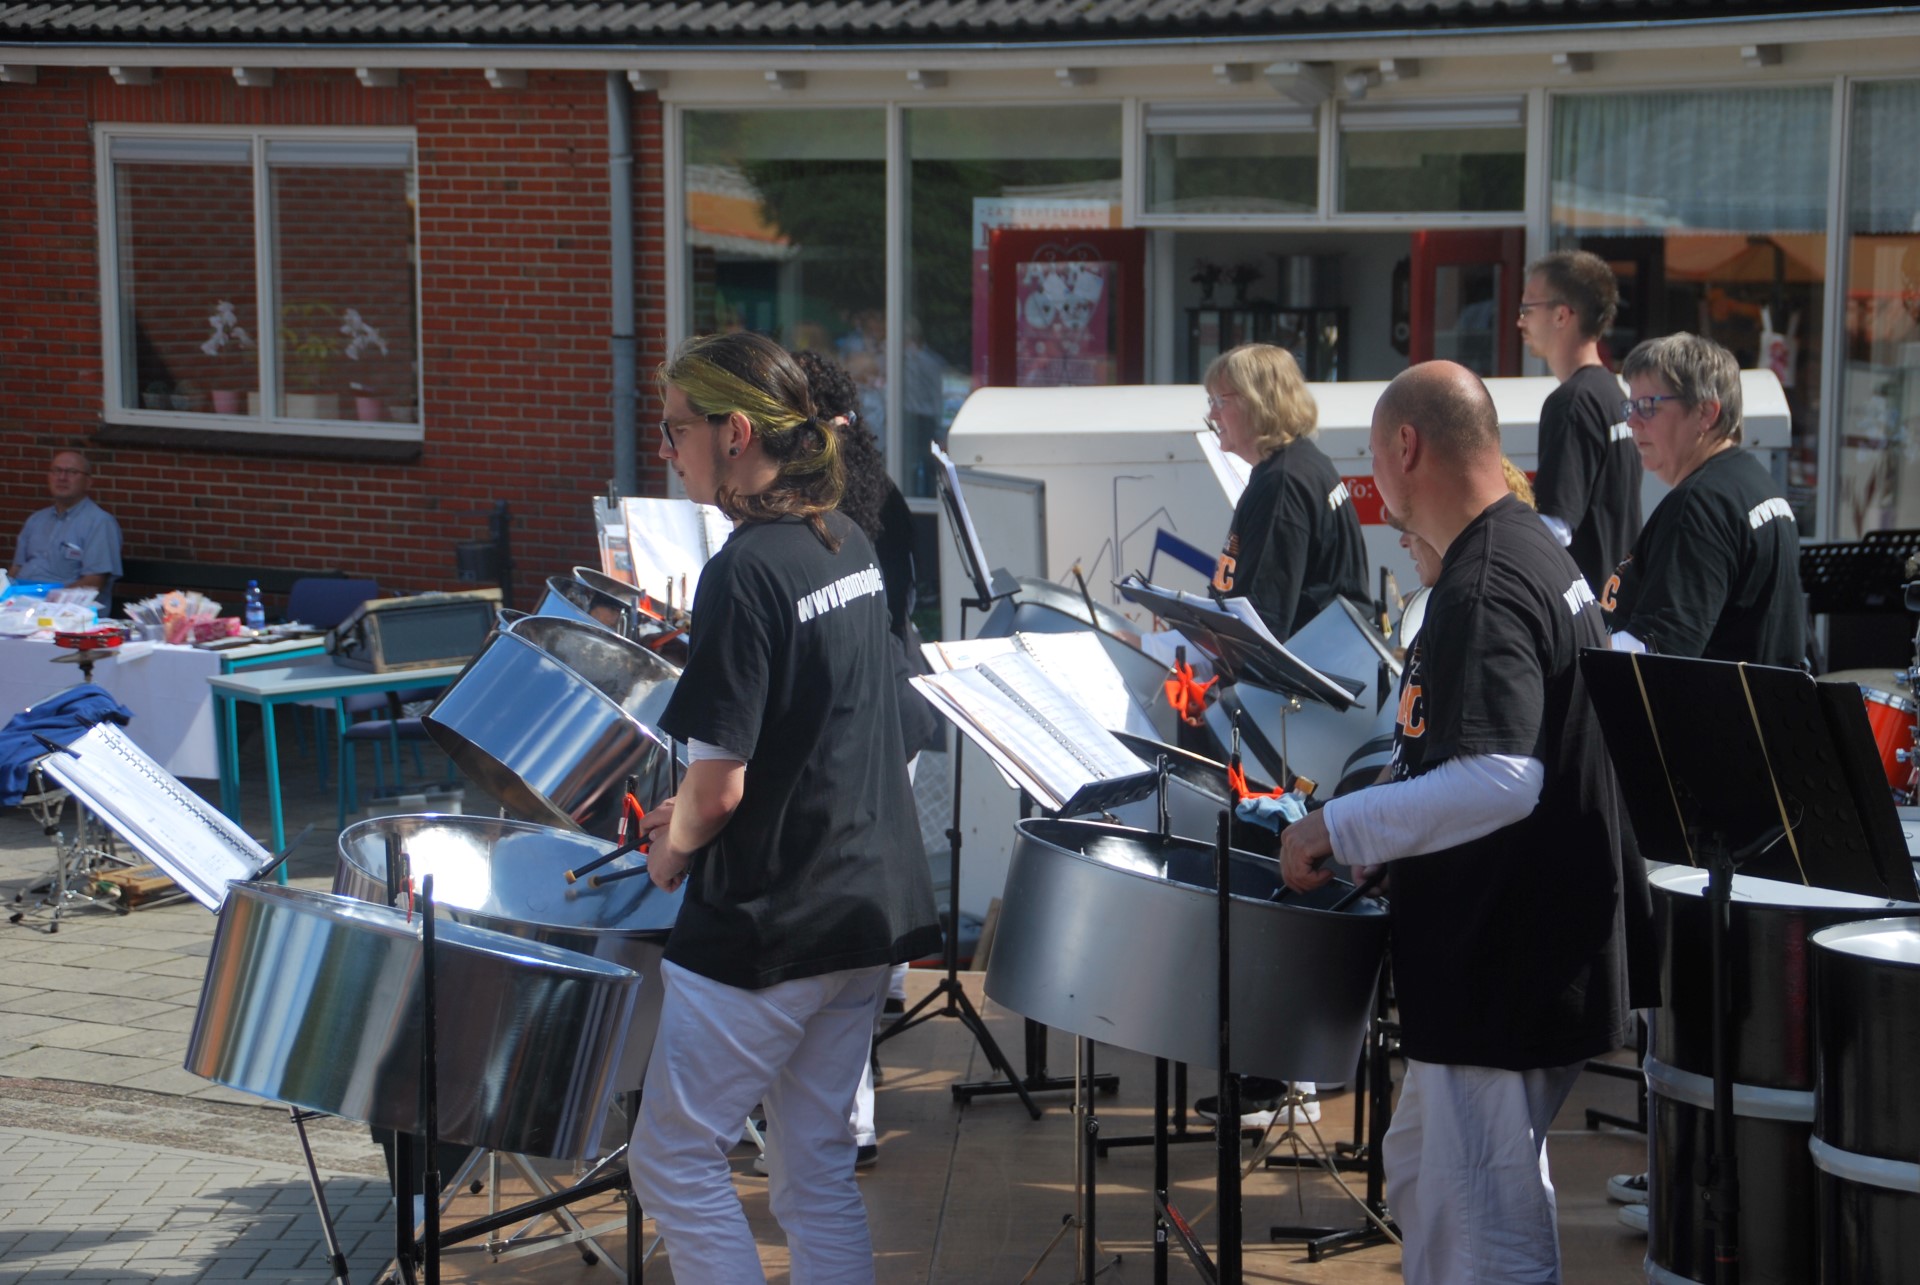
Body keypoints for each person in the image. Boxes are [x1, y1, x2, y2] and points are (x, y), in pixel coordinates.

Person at [1279, 361, 1647, 1285]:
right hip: (1517, 951)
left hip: (1505, 958)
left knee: (1484, 1235)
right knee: (1427, 1175)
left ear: (1408, 446)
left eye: (1375, 456)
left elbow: (1502, 777)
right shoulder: (1527, 549)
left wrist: (1339, 827)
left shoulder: (1485, 583)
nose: (1375, 484)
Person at [628, 332, 943, 1282]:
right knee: (814, 1170)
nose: (665, 449)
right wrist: (691, 815)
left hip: (775, 919)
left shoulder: (746, 569)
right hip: (862, 909)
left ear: (734, 433)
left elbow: (718, 788)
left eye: (675, 428)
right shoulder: (845, 539)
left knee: (673, 1158)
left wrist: (673, 847)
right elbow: (813, 738)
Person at [1598, 332, 1805, 669]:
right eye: (1630, 406)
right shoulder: (1756, 484)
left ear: (1706, 413)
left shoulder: (1699, 506)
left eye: (1647, 406)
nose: (1632, 421)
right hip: (1757, 699)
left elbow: (1656, 653)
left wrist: (1568, 647)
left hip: (1720, 703)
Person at [1205, 344, 1369, 640]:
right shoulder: (1301, 464)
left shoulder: (1282, 483)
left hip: (1309, 662)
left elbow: (1259, 623)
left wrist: (1158, 646)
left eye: (1220, 400)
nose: (1212, 413)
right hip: (1328, 655)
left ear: (1259, 403)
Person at [1518, 250, 1642, 591]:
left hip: (1583, 606)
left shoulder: (1572, 403)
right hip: (1616, 599)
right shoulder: (1613, 393)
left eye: (1527, 308)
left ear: (1561, 315)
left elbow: (1554, 528)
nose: (1520, 321)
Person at [10, 448, 123, 598]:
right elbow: (16, 569)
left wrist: (46, 601)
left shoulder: (100, 523)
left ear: (88, 482)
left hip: (65, 607)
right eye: (57, 471)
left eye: (72, 472)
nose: (62, 477)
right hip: (18, 603)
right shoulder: (36, 520)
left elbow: (93, 582)